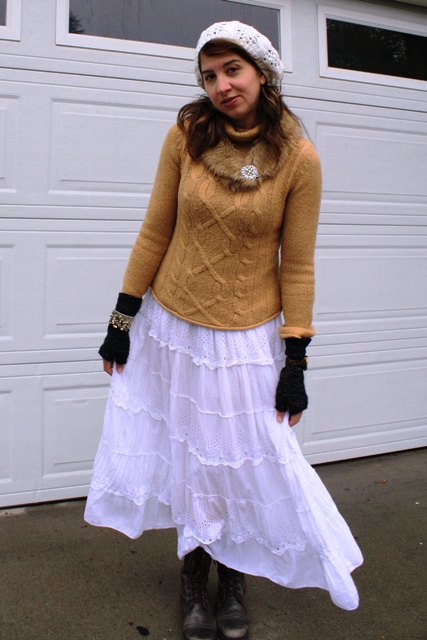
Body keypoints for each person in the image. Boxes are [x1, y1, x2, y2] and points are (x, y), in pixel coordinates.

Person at [85, 21, 363, 640]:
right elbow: (155, 229)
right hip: (172, 328)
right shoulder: (186, 137)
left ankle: (233, 579)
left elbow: (297, 265)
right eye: (209, 75)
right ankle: (194, 580)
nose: (221, 86)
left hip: (245, 337)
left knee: (238, 461)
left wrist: (295, 362)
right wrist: (121, 320)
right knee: (190, 455)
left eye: (232, 70)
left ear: (262, 73)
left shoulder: (300, 160)